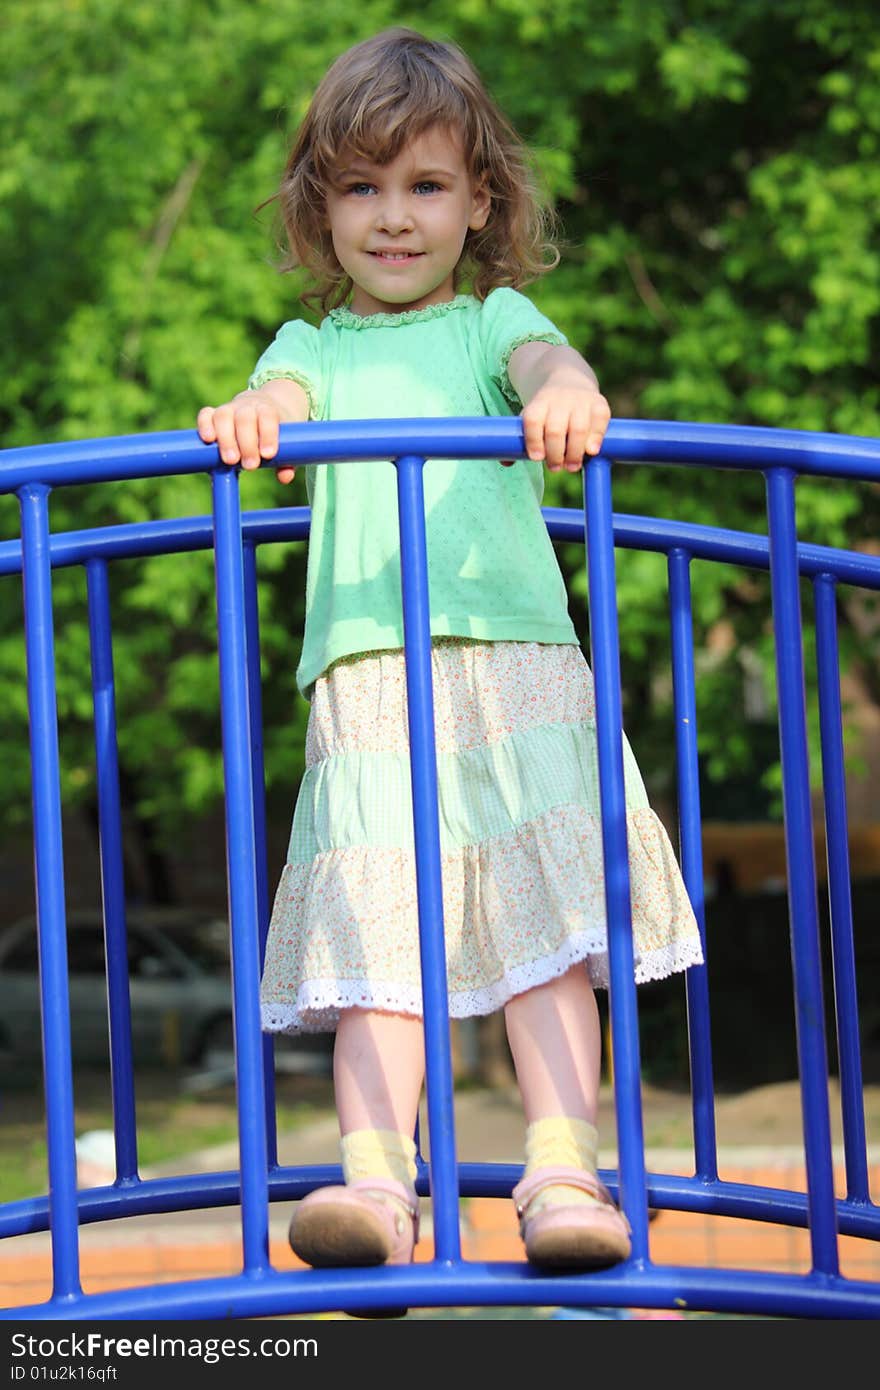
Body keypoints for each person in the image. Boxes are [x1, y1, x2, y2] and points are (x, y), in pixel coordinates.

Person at [197, 26, 703, 1276]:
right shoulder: (315, 347)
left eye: (424, 185)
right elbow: (281, 405)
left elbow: (548, 360)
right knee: (379, 943)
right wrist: (254, 413)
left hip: (512, 665)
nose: (393, 218)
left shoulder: (491, 323)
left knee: (541, 929)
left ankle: (562, 1170)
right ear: (322, 211)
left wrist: (565, 391)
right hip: (369, 679)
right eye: (360, 189)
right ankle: (376, 1182)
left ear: (480, 200)